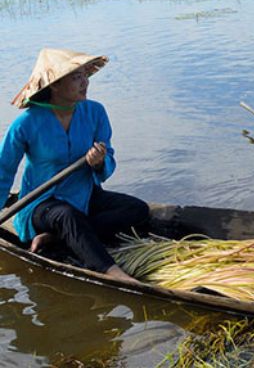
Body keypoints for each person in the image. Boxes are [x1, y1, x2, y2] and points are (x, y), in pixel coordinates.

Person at [0, 48, 149, 284]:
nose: (85, 82)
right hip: (43, 204)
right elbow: (3, 170)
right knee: (66, 216)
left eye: (85, 76)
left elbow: (108, 159)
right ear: (55, 85)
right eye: (76, 77)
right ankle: (113, 273)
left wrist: (100, 162)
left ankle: (56, 239)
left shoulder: (95, 112)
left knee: (138, 210)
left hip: (84, 195)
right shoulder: (26, 123)